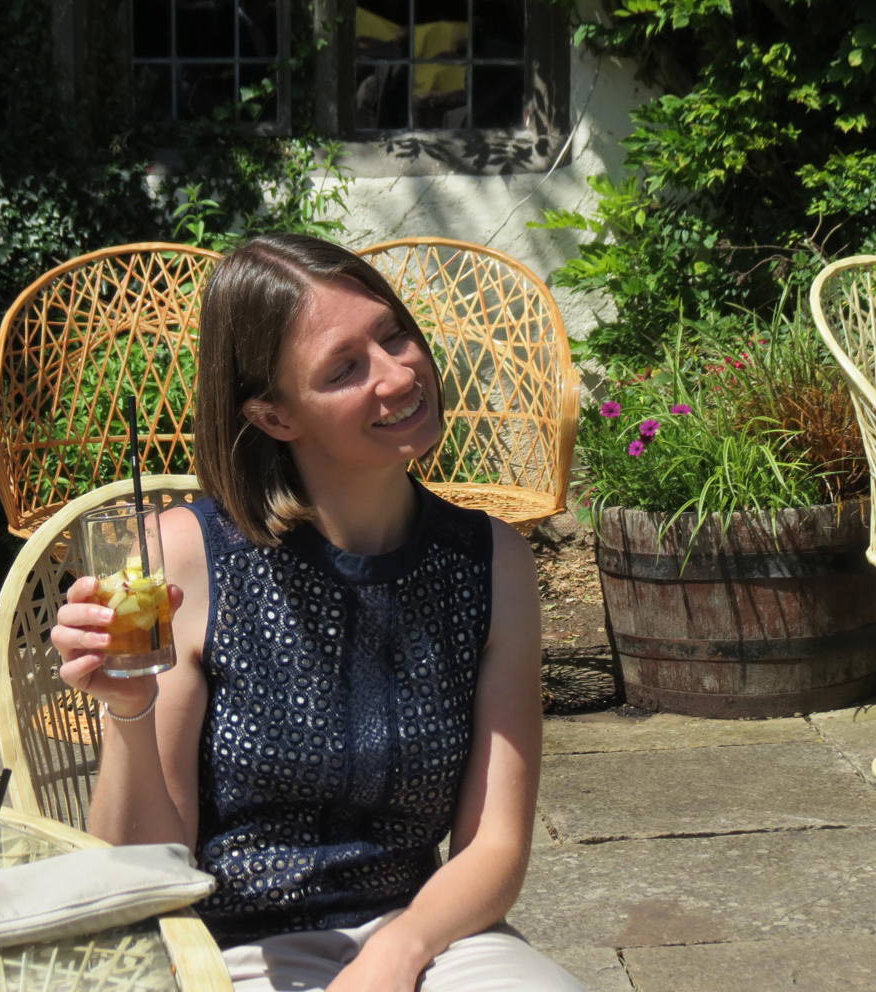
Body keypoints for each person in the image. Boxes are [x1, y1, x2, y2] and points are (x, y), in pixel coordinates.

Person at [52, 234, 584, 992]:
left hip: (427, 931)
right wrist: (129, 710)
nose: (399, 373)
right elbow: (141, 871)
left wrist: (395, 955)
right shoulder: (187, 560)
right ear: (274, 416)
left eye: (393, 334)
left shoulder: (490, 561)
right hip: (231, 950)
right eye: (344, 369)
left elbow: (493, 847)